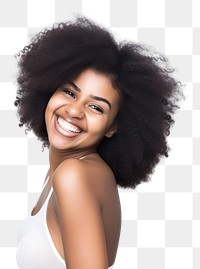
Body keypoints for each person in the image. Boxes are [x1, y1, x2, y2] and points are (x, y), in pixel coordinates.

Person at [15, 16, 183, 269]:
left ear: (113, 127)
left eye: (95, 107)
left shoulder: (75, 175)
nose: (74, 111)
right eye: (70, 92)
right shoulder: (67, 172)